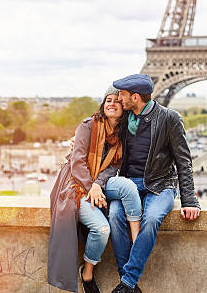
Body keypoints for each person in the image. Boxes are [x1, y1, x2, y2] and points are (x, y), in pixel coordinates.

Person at [108, 73, 200, 293]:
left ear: (136, 97)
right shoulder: (124, 120)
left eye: (122, 94)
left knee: (151, 219)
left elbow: (183, 161)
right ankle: (128, 283)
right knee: (114, 216)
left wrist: (190, 201)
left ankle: (127, 282)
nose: (119, 98)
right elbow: (100, 129)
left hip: (160, 185)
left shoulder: (169, 118)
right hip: (129, 185)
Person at [48, 87, 142, 293]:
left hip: (98, 184)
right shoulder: (88, 125)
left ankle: (137, 242)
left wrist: (98, 185)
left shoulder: (122, 135)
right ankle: (87, 273)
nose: (111, 103)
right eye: (108, 100)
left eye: (117, 101)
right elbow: (78, 162)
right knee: (101, 230)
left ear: (123, 108)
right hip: (75, 186)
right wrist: (92, 187)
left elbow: (112, 168)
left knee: (127, 187)